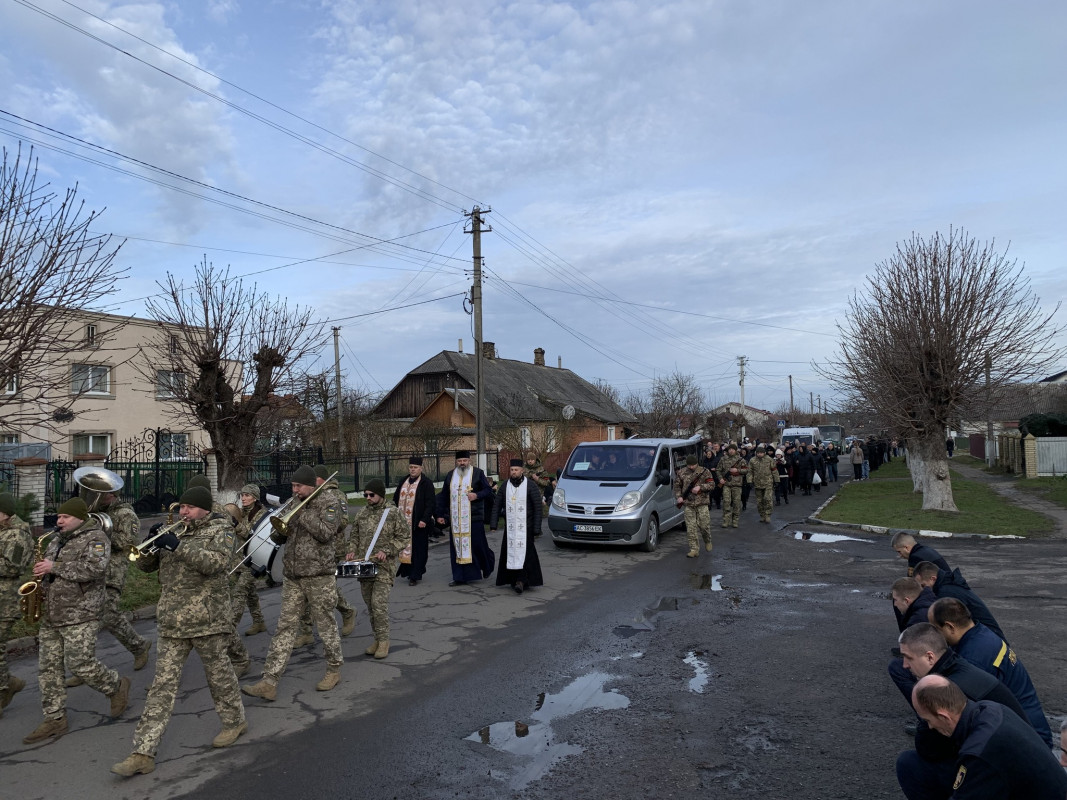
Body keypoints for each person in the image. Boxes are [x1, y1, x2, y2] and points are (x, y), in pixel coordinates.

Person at [111, 486, 249, 776]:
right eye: (181, 507)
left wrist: (177, 545)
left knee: (219, 677)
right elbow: (145, 566)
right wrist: (152, 543)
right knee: (162, 687)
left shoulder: (220, 530)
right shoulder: (176, 530)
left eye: (188, 507)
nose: (182, 512)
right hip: (172, 621)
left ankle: (234, 721)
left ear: (204, 509)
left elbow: (217, 564)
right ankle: (143, 752)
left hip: (207, 620)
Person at [23, 497, 130, 744]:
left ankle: (116, 686)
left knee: (81, 664)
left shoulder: (97, 539)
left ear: (80, 518)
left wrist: (54, 566)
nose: (59, 521)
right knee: (48, 668)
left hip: (81, 613)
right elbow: (49, 569)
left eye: (65, 517)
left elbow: (94, 570)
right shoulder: (57, 539)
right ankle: (55, 718)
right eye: (58, 517)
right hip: (53, 612)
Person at [242, 465, 344, 702]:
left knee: (325, 624)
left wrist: (302, 512)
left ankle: (333, 668)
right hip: (294, 574)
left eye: (299, 486)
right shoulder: (294, 502)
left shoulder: (329, 502)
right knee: (285, 626)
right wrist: (279, 528)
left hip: (319, 574)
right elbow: (281, 536)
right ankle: (270, 680)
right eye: (293, 486)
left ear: (311, 485)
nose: (295, 490)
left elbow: (326, 533)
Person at [897, 675, 1067, 800]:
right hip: (1035, 787)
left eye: (928, 720)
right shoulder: (989, 708)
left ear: (944, 716)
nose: (930, 727)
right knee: (910, 763)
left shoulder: (980, 751)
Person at [928, 597, 1052, 746]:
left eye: (935, 628)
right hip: (1030, 724)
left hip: (1029, 737)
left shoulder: (974, 658)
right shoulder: (980, 632)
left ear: (950, 627)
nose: (932, 634)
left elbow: (962, 711)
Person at [888, 623, 1027, 721]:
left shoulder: (949, 688)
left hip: (1013, 754)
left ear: (930, 657)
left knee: (910, 761)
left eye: (909, 658)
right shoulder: (957, 664)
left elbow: (930, 749)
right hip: (1020, 736)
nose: (905, 665)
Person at [82, 486, 152, 680]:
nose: (96, 496)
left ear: (112, 495)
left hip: (113, 570)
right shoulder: (96, 512)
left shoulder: (126, 514)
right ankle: (83, 663)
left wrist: (101, 531)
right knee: (87, 616)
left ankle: (138, 646)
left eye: (100, 493)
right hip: (92, 568)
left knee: (109, 613)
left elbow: (126, 542)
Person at [347, 479, 409, 659]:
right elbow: (354, 537)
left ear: (380, 495)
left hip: (384, 567)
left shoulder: (392, 513)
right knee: (370, 605)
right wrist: (351, 551)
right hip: (365, 567)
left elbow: (404, 537)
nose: (367, 498)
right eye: (365, 495)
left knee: (378, 605)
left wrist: (387, 550)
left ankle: (384, 641)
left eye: (371, 495)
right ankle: (376, 638)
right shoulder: (361, 514)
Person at [435, 450, 496, 586]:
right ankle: (460, 577)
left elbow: (488, 490)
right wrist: (440, 514)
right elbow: (444, 496)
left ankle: (487, 564)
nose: (462, 463)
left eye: (464, 461)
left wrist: (476, 495)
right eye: (459, 461)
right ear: (456, 462)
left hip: (474, 517)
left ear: (469, 461)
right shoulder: (451, 475)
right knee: (457, 547)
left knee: (478, 545)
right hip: (456, 519)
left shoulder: (478, 473)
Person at [913, 561, 1006, 642]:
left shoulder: (946, 593)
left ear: (933, 579)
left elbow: (950, 629)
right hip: (991, 637)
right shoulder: (950, 584)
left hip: (987, 641)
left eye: (923, 585)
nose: (922, 590)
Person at [0, 492, 34, 715]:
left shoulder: (17, 536)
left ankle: (4, 690)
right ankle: (8, 683)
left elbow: (11, 568)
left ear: (4, 514)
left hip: (6, 601)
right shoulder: (3, 531)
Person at [490, 459, 544, 593]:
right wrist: (493, 523)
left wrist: (537, 528)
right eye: (512, 470)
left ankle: (522, 580)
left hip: (527, 527)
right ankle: (513, 580)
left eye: (516, 470)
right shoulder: (505, 486)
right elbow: (497, 505)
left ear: (522, 471)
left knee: (526, 555)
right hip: (511, 528)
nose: (514, 472)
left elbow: (538, 508)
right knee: (510, 553)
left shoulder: (530, 486)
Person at [230, 484, 268, 637]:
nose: (243, 498)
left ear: (255, 497)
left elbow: (249, 534)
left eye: (247, 495)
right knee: (250, 593)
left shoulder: (260, 514)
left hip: (253, 560)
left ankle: (229, 629)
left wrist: (236, 524)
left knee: (239, 592)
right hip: (239, 560)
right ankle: (259, 622)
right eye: (242, 495)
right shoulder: (241, 512)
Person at [394, 457, 437, 586]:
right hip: (404, 523)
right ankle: (408, 571)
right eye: (411, 467)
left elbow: (431, 503)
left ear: (421, 468)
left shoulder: (426, 483)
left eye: (415, 467)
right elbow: (396, 498)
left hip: (419, 524)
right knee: (406, 548)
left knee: (419, 550)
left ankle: (415, 575)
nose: (412, 470)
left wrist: (424, 519)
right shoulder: (404, 481)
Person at [673, 454, 715, 556]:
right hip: (688, 503)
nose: (691, 467)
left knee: (704, 526)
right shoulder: (682, 472)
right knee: (691, 527)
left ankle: (707, 540)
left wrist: (700, 487)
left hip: (702, 502)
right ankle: (694, 549)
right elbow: (677, 486)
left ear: (697, 463)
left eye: (693, 465)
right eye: (689, 465)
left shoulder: (705, 471)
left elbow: (712, 484)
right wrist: (678, 496)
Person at [716, 444, 747, 528]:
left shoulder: (740, 460)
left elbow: (746, 470)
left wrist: (738, 470)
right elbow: (718, 470)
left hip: (737, 484)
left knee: (736, 503)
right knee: (726, 502)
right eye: (730, 449)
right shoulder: (723, 459)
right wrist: (720, 479)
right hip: (726, 484)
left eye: (733, 449)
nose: (731, 451)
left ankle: (735, 520)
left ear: (736, 450)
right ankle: (726, 520)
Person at [747, 444, 776, 523]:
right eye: (758, 453)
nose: (759, 454)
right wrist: (749, 481)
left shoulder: (769, 460)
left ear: (764, 453)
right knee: (759, 501)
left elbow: (774, 470)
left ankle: (768, 515)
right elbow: (750, 472)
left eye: (761, 453)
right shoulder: (752, 460)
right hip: (757, 483)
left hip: (768, 482)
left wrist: (777, 480)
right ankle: (762, 515)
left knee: (767, 499)